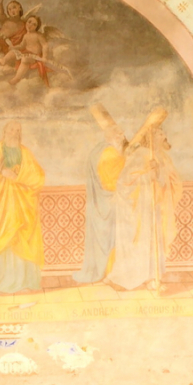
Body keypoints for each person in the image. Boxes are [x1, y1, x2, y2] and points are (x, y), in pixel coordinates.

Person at [107, 107, 181, 291]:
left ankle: (152, 277)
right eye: (158, 134)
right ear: (150, 137)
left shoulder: (163, 158)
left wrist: (159, 172)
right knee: (140, 243)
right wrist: (146, 171)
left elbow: (172, 182)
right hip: (139, 210)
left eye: (163, 135)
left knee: (155, 243)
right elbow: (124, 181)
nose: (162, 137)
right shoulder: (140, 154)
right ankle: (134, 277)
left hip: (156, 208)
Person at [0, 120, 45, 294]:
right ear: (5, 131)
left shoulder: (25, 153)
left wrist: (17, 176)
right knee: (1, 241)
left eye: (18, 130)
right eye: (12, 129)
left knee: (21, 241)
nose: (15, 132)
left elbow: (38, 177)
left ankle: (23, 283)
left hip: (22, 207)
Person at [80, 102, 126, 282]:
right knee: (112, 238)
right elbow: (112, 182)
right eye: (119, 134)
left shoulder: (98, 150)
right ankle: (110, 272)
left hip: (100, 204)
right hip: (110, 204)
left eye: (122, 133)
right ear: (111, 136)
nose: (123, 136)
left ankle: (108, 272)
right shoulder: (110, 153)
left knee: (107, 239)